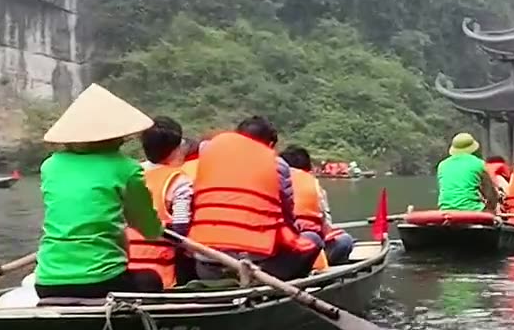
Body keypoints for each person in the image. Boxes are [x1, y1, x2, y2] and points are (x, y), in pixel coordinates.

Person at [33, 85, 169, 299]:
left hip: (46, 280)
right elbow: (148, 228)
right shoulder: (126, 168)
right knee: (151, 279)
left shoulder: (50, 166)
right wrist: (158, 229)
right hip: (102, 280)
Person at [169, 116, 321, 282]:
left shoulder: (208, 154)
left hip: (207, 266)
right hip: (258, 269)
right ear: (270, 145)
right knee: (313, 239)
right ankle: (281, 288)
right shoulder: (277, 164)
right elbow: (287, 217)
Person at [124, 116, 196, 289]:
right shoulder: (179, 181)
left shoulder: (131, 173)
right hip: (160, 268)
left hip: (125, 264)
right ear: (176, 148)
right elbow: (181, 228)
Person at [281, 146, 356, 266]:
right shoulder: (314, 186)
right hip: (302, 248)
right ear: (308, 168)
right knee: (345, 240)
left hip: (274, 249)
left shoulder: (270, 179)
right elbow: (326, 224)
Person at [436, 133, 499, 212]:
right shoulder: (479, 163)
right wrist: (492, 208)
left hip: (446, 211)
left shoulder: (442, 165)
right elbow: (490, 194)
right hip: (473, 210)